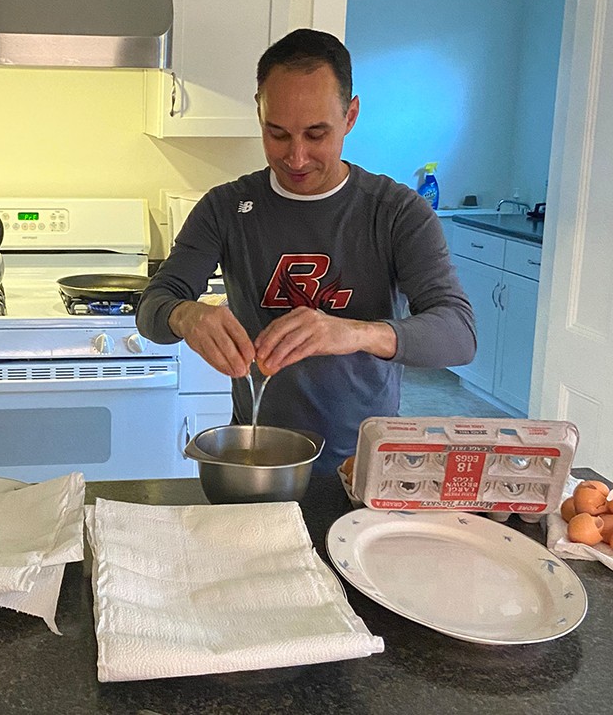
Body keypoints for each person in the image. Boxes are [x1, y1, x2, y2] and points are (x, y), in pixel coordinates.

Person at [136, 28, 476, 475]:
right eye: (277, 134)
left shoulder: (396, 212)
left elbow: (458, 334)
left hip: (364, 464)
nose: (296, 158)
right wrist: (187, 315)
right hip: (255, 460)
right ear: (259, 113)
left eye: (317, 134)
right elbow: (152, 308)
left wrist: (355, 333)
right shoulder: (225, 208)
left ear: (350, 115)